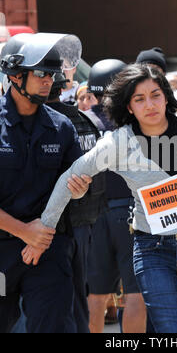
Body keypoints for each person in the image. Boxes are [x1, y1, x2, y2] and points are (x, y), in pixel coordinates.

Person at [23, 63, 177, 333]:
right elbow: (67, 179)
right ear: (129, 107)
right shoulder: (119, 142)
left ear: (166, 96)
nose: (150, 104)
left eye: (155, 95)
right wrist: (44, 233)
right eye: (139, 99)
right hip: (153, 251)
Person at [0, 32, 91, 333]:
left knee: (53, 325)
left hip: (48, 249)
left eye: (52, 74)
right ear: (15, 74)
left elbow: (75, 186)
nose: (48, 80)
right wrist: (25, 232)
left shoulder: (62, 127)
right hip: (5, 246)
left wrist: (81, 189)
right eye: (40, 73)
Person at [41, 71, 106, 333]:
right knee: (78, 298)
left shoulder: (47, 122)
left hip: (53, 226)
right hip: (86, 223)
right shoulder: (85, 120)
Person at [85, 59, 147, 333]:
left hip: (92, 216)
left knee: (95, 294)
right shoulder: (136, 124)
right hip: (131, 213)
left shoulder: (80, 123)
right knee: (135, 294)